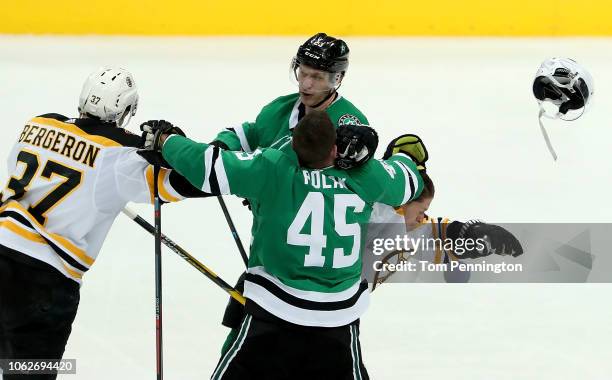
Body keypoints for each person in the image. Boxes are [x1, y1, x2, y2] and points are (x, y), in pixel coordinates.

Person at [140, 111, 425, 379]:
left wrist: (166, 140)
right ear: (335, 149)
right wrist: (400, 155)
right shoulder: (364, 175)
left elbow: (207, 165)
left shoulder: (272, 167)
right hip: (337, 321)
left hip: (272, 316)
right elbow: (409, 182)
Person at [0, 67, 201, 379]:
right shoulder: (123, 153)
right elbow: (186, 183)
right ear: (127, 110)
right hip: (44, 282)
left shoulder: (37, 123)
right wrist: (174, 146)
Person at [210, 32, 373, 348]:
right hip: (275, 252)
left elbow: (342, 189)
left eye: (317, 76)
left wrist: (270, 189)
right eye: (302, 71)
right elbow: (246, 135)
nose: (307, 84)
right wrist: (220, 147)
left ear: (337, 78)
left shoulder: (350, 126)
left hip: (320, 269)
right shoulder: (280, 110)